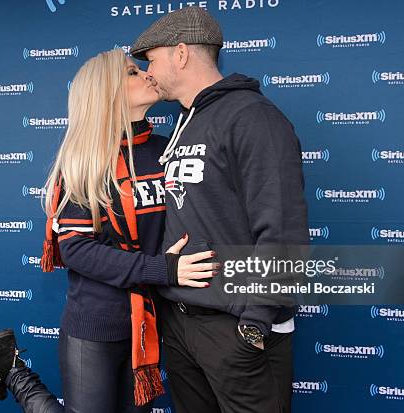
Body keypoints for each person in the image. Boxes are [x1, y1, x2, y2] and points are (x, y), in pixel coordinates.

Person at [0, 48, 217, 413]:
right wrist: (163, 269)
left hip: (152, 322)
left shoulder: (170, 150)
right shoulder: (86, 161)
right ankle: (13, 373)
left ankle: (6, 367)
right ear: (105, 93)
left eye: (140, 69)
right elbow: (78, 250)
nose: (146, 74)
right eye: (130, 73)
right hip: (96, 324)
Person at [129, 7, 309, 413]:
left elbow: (282, 230)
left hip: (237, 327)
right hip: (182, 323)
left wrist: (255, 323)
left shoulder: (253, 117)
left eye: (152, 60)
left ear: (180, 54)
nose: (149, 72)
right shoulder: (184, 121)